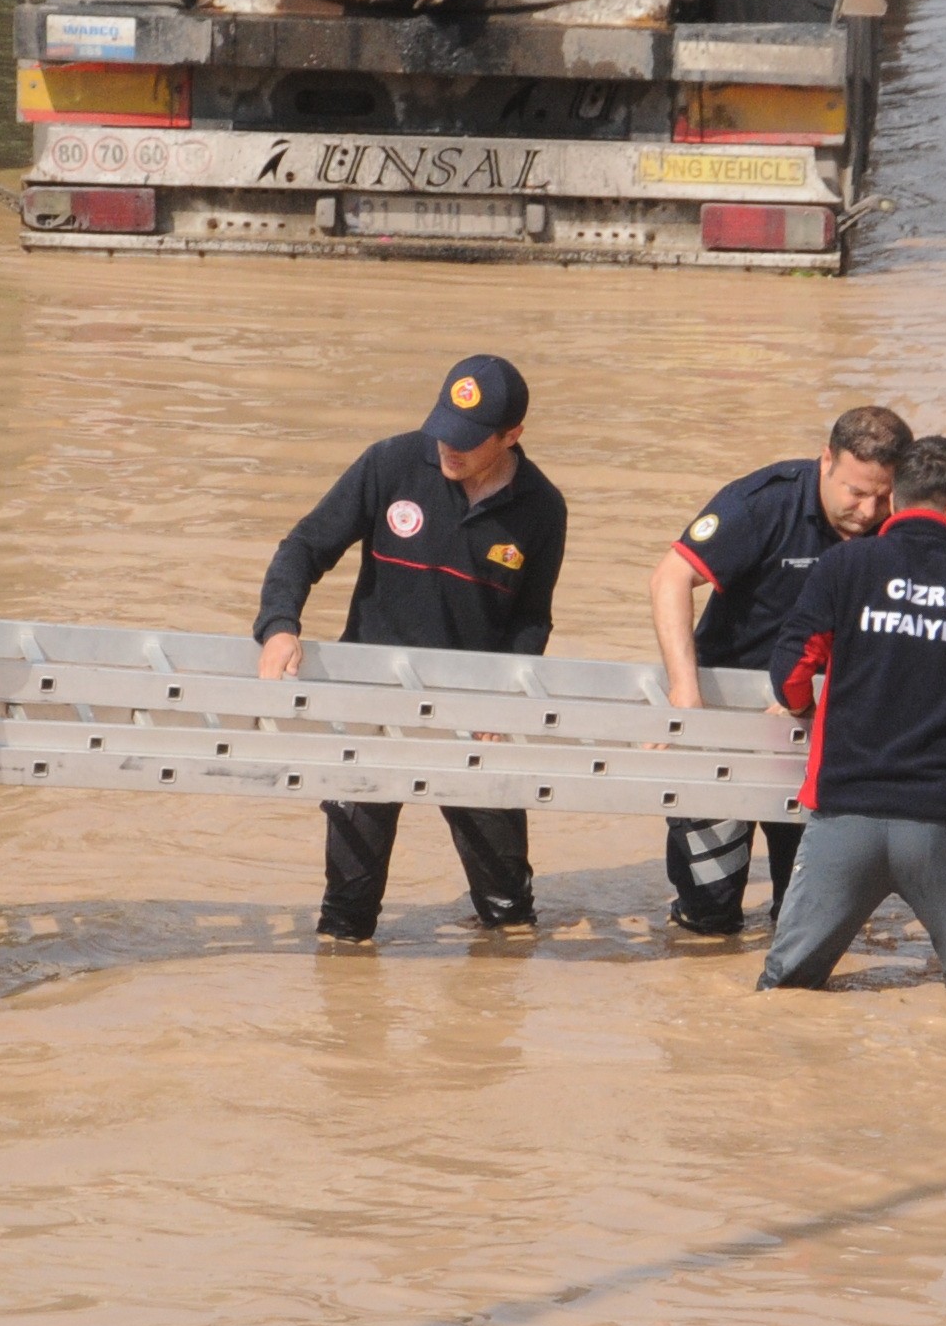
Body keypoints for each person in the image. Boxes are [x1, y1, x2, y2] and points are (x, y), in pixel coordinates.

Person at [254, 356, 568, 944]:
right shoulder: (391, 463)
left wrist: (503, 701)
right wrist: (279, 626)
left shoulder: (542, 508)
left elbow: (531, 621)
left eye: (470, 440)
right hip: (372, 709)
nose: (450, 446)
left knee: (510, 916)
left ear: (512, 436)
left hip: (475, 713)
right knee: (346, 919)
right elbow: (304, 546)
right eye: (444, 428)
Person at [757, 436, 946, 998]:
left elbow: (790, 670)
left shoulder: (845, 564)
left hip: (843, 817)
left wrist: (805, 709)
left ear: (897, 500)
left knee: (786, 990)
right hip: (937, 824)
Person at [646, 404, 910, 939]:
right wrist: (685, 697)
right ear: (826, 460)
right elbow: (670, 579)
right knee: (709, 916)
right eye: (857, 492)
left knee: (806, 918)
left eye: (884, 495)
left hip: (823, 727)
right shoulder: (762, 503)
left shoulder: (900, 524)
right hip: (730, 716)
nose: (869, 510)